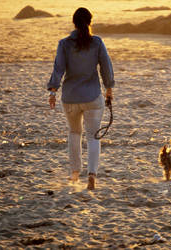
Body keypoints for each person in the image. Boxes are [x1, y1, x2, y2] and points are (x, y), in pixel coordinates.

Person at [47, 7, 115, 190]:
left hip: (70, 98)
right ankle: (92, 174)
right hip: (92, 96)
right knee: (93, 136)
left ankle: (75, 174)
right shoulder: (97, 42)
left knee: (74, 133)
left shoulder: (64, 44)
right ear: (90, 22)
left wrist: (53, 91)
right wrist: (109, 88)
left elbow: (58, 69)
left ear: (74, 23)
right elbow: (106, 67)